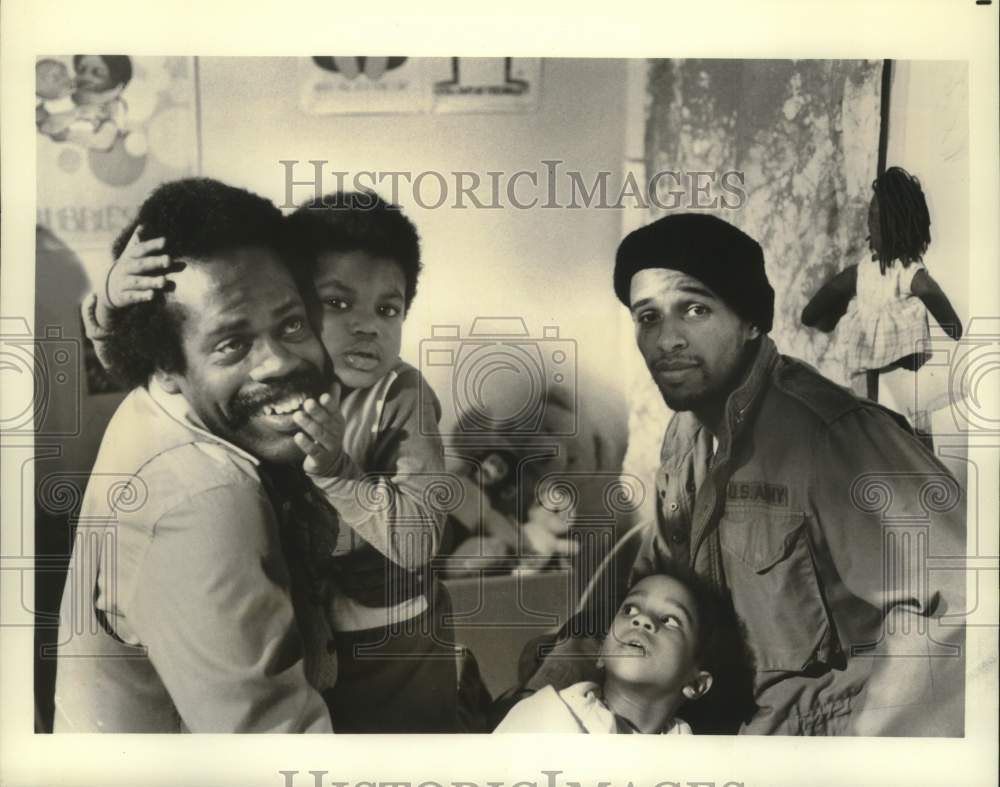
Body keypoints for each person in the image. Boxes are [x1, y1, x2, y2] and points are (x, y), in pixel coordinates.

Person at [525, 212, 965, 736]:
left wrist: (860, 756)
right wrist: (539, 693)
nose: (667, 339)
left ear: (751, 320)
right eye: (648, 317)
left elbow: (960, 608)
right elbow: (650, 595)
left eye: (694, 309)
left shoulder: (830, 436)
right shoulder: (684, 442)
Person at [83, 190, 489, 732]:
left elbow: (418, 541)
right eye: (337, 304)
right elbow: (154, 364)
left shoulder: (400, 398)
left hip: (393, 643)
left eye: (388, 309)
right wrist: (112, 301)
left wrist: (339, 472)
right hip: (317, 638)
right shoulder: (277, 382)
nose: (367, 326)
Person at [55, 178, 335, 732]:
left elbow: (122, 349)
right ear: (167, 366)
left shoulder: (162, 397)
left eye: (292, 323)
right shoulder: (202, 500)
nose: (278, 362)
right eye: (232, 343)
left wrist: (108, 306)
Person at [802, 166, 962, 440]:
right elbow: (810, 314)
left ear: (899, 224)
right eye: (871, 217)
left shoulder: (908, 275)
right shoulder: (862, 274)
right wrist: (844, 308)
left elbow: (953, 327)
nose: (871, 225)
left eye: (878, 220)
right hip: (868, 390)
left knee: (902, 449)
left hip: (898, 390)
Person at [495, 571, 716, 734]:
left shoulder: (693, 760)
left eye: (670, 620)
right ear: (601, 653)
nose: (642, 620)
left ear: (696, 684)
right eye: (629, 609)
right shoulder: (544, 717)